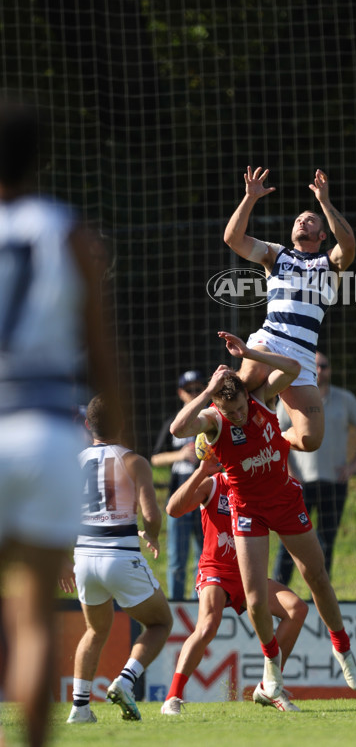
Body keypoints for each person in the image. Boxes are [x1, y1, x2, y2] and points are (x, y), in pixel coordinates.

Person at [0, 100, 125, 747]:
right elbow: (102, 352)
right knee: (34, 620)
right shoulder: (69, 230)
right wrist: (121, 436)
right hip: (48, 427)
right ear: (41, 156)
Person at [170, 330, 356, 703]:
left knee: (317, 575)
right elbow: (179, 428)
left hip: (285, 501)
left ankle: (342, 648)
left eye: (242, 406)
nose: (240, 415)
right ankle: (271, 664)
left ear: (246, 393)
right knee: (256, 602)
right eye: (232, 412)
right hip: (248, 512)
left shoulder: (259, 396)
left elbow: (293, 367)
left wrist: (246, 353)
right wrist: (209, 389)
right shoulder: (214, 419)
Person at [223, 166, 355, 453]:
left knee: (310, 440)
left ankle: (267, 440)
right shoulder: (276, 254)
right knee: (246, 381)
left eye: (309, 220)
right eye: (298, 219)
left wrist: (324, 202)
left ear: (322, 235)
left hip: (304, 355)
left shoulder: (330, 264)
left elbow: (348, 244)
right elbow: (233, 239)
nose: (301, 221)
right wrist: (249, 198)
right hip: (271, 340)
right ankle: (212, 428)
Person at [160, 462, 308, 714]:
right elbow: (173, 509)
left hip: (248, 574)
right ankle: (172, 697)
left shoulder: (259, 486)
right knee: (207, 625)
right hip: (215, 570)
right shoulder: (214, 482)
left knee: (297, 609)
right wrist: (201, 471)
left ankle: (269, 686)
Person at [61, 394, 173, 724]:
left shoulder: (74, 461)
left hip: (83, 558)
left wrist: (63, 560)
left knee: (95, 630)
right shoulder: (133, 461)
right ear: (123, 424)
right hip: (120, 554)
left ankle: (79, 708)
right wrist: (151, 534)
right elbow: (151, 514)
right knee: (160, 623)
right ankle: (125, 681)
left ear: (87, 425)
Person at [273, 350, 356, 585]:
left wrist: (353, 465)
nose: (320, 370)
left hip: (334, 483)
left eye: (325, 366)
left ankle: (321, 600)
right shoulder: (293, 397)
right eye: (316, 365)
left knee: (326, 543)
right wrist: (288, 472)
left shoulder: (344, 399)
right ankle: (279, 596)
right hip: (299, 484)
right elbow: (276, 436)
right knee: (290, 543)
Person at [151, 370, 206, 600]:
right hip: (179, 497)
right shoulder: (173, 423)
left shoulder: (211, 420)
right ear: (180, 393)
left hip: (205, 499)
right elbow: (155, 458)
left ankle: (200, 604)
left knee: (204, 558)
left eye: (198, 389)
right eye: (189, 390)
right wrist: (180, 455)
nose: (194, 394)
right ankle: (176, 604)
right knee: (176, 559)